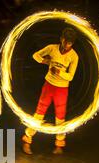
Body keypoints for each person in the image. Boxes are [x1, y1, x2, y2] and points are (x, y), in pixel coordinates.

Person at [22, 27, 79, 155]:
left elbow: (70, 76)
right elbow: (35, 55)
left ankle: (59, 144)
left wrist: (58, 72)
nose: (66, 45)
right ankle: (27, 140)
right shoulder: (52, 48)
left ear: (72, 43)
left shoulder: (74, 56)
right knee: (39, 113)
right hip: (49, 85)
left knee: (60, 117)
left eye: (69, 43)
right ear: (61, 39)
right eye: (64, 41)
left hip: (62, 89)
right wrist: (44, 61)